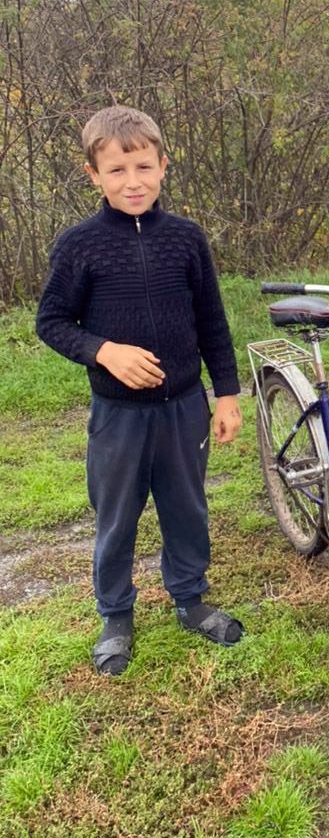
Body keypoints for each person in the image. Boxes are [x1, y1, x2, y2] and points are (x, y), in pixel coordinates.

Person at [36, 105, 245, 676]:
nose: (133, 182)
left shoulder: (185, 239)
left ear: (163, 166)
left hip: (185, 408)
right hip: (118, 416)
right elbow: (51, 322)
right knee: (116, 515)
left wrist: (225, 395)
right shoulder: (79, 245)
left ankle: (190, 598)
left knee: (187, 507)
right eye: (118, 170)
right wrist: (105, 351)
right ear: (94, 175)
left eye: (144, 167)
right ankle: (116, 616)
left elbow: (212, 321)